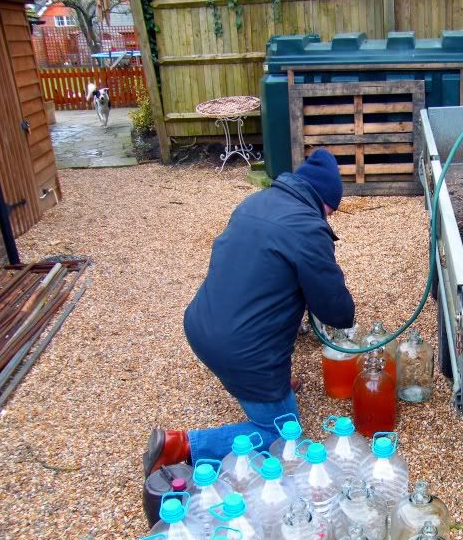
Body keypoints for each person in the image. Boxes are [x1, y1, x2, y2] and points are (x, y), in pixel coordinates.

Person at [143, 149, 355, 476]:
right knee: (282, 437)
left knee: (271, 301)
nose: (328, 217)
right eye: (331, 210)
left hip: (201, 324)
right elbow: (335, 311)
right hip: (242, 352)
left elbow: (260, 280)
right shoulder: (309, 228)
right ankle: (181, 446)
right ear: (324, 201)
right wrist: (344, 310)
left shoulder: (254, 203)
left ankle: (275, 385)